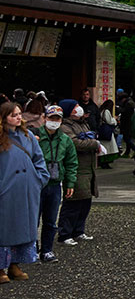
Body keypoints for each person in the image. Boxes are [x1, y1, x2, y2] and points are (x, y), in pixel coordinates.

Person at [0, 101, 49, 283]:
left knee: (24, 227)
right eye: (14, 115)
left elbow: (39, 159)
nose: (18, 117)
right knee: (5, 229)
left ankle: (15, 264)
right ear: (4, 117)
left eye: (19, 114)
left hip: (27, 189)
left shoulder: (28, 136)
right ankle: (1, 267)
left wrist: (39, 179)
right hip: (7, 190)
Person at [34, 104, 77, 262]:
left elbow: (71, 163)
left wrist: (70, 183)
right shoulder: (35, 137)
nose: (54, 121)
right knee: (33, 220)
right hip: (36, 184)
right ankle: (32, 250)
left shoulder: (65, 140)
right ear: (45, 118)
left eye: (57, 119)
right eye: (51, 118)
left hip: (55, 184)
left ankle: (47, 250)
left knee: (51, 220)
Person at [58, 101, 100, 244]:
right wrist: (94, 143)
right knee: (73, 202)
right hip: (76, 168)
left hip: (88, 168)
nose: (79, 109)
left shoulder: (83, 123)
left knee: (85, 201)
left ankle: (78, 231)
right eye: (75, 107)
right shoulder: (65, 127)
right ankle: (65, 233)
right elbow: (75, 143)